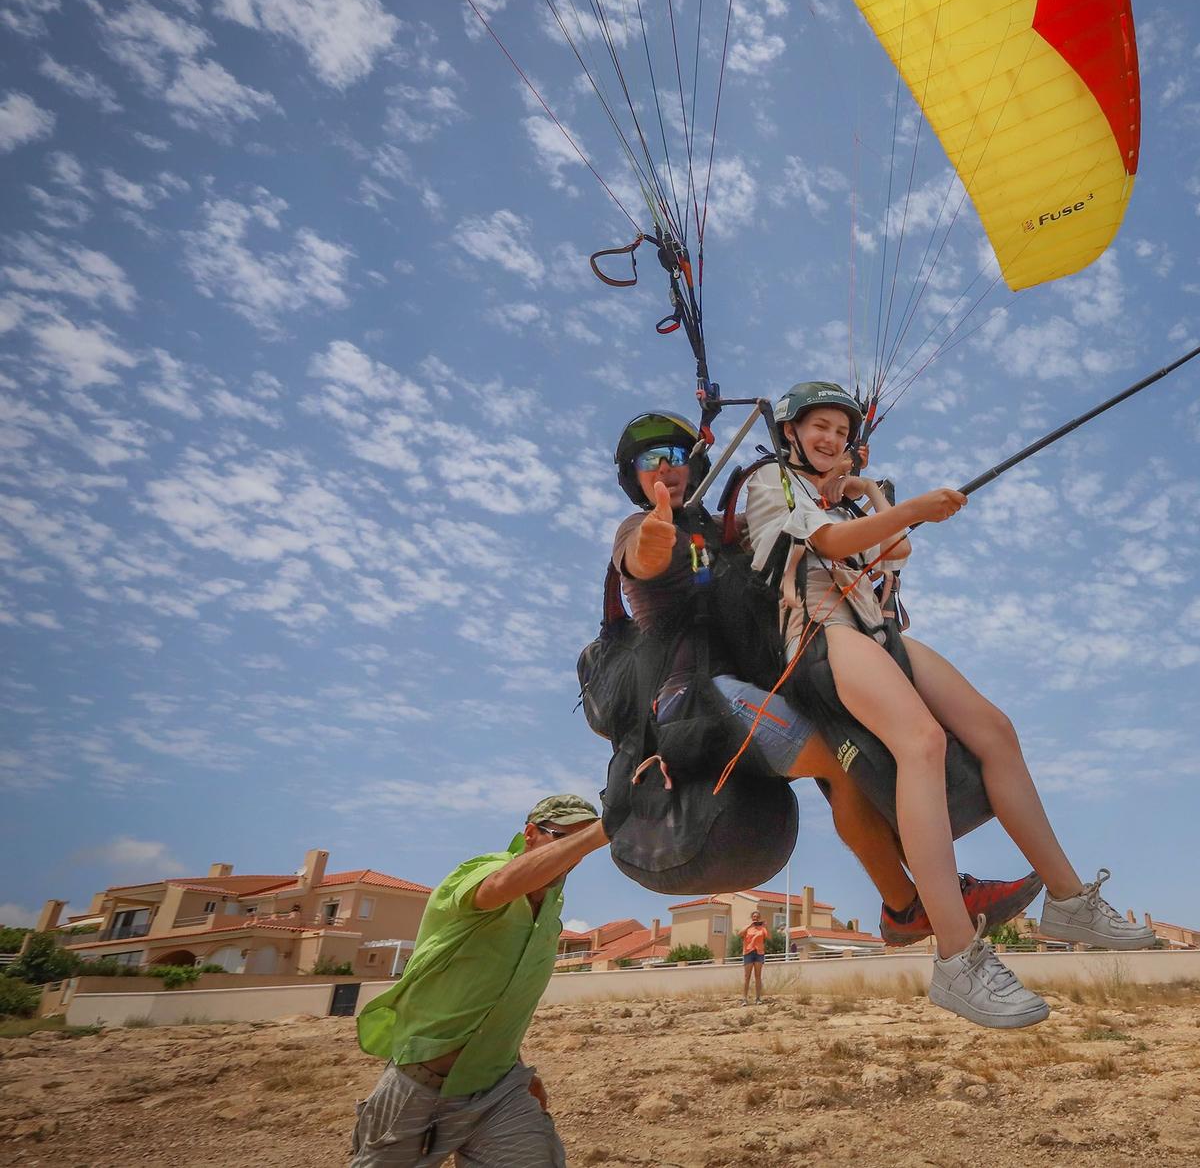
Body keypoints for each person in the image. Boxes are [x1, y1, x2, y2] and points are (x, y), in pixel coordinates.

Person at [743, 382, 1156, 1030]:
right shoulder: (770, 482)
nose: (831, 439)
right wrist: (911, 505)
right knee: (921, 741)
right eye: (818, 426)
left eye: (841, 432)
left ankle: (1069, 899)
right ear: (791, 432)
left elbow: (894, 549)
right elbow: (829, 543)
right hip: (820, 638)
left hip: (875, 633)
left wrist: (874, 493)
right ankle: (957, 955)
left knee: (994, 729)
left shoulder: (843, 497)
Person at [609, 412, 1043, 946]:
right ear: (632, 476)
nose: (665, 470)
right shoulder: (640, 528)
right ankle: (911, 903)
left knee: (857, 742)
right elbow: (640, 557)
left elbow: (800, 514)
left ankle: (926, 894)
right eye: (649, 461)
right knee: (841, 760)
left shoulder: (724, 528)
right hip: (696, 702)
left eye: (675, 457)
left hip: (757, 687)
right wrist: (653, 536)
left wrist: (843, 469)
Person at [349, 794, 607, 1166]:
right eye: (563, 838)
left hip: (497, 1088)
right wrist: (600, 833)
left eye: (583, 843)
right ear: (531, 834)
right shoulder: (486, 870)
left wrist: (516, 1067)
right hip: (419, 1085)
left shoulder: (550, 911)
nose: (575, 854)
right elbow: (496, 888)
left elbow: (500, 997)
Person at [740, 909, 771, 1005]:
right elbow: (740, 934)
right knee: (747, 977)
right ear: (751, 917)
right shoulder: (747, 928)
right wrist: (750, 925)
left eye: (757, 917)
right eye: (754, 917)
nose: (755, 918)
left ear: (759, 918)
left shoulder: (762, 928)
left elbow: (769, 937)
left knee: (758, 976)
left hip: (759, 953)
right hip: (748, 952)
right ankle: (744, 999)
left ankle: (758, 998)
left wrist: (766, 926)